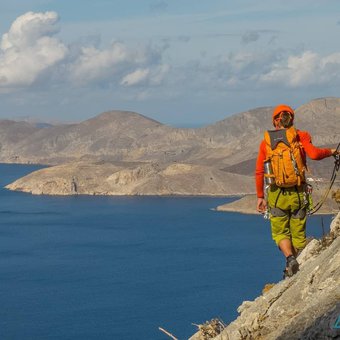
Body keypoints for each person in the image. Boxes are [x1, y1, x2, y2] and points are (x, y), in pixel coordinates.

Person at [255, 104, 339, 278]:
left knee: (280, 232)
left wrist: (260, 197)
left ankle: (289, 259)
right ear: (291, 119)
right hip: (298, 193)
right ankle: (298, 264)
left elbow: (259, 171)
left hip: (276, 194)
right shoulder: (301, 136)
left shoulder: (266, 143)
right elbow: (314, 154)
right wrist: (331, 152)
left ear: (275, 121)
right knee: (298, 234)